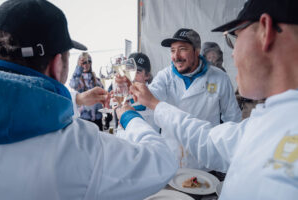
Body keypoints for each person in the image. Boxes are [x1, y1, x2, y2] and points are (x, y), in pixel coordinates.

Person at [0, 1, 178, 200]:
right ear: (57, 64)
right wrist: (127, 114)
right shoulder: (83, 150)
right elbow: (162, 162)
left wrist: (78, 99)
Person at [123, 0, 298, 199]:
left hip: (205, 171)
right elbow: (207, 140)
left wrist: (152, 104)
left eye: (235, 37)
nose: (232, 53)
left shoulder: (220, 78)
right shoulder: (264, 122)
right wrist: (134, 100)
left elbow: (224, 125)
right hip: (173, 164)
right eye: (172, 50)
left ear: (265, 31)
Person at [147, 28, 241, 169]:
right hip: (171, 162)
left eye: (182, 49)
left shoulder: (219, 78)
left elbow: (233, 119)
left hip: (205, 163)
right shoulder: (165, 77)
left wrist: (229, 157)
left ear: (197, 51)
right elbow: (148, 99)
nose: (176, 56)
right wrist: (131, 90)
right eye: (172, 50)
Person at [70, 52, 110, 130]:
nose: (87, 64)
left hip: (98, 120)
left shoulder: (97, 80)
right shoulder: (78, 81)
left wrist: (108, 112)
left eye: (89, 61)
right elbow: (73, 84)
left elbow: (104, 96)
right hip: (84, 119)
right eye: (84, 62)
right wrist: (79, 68)